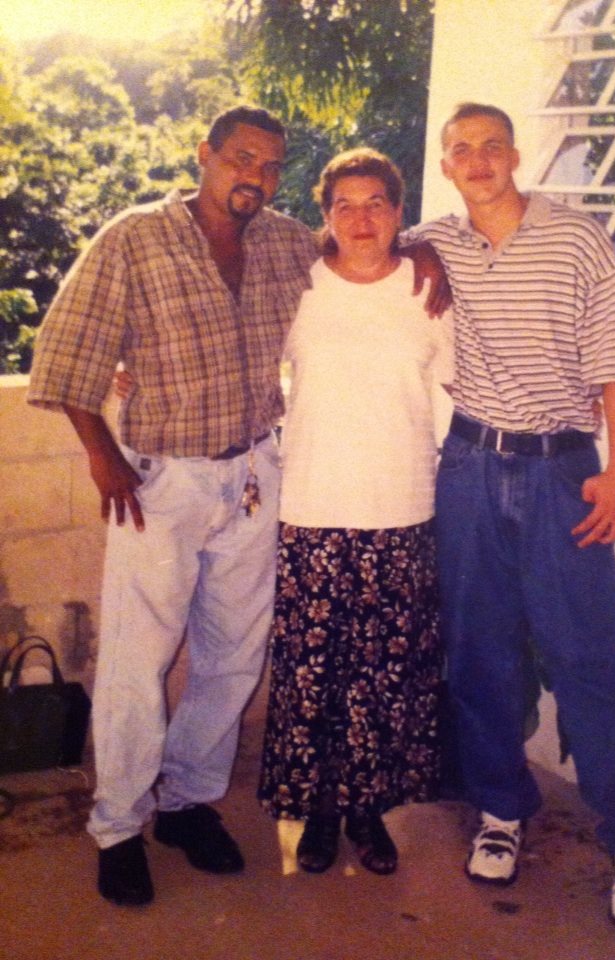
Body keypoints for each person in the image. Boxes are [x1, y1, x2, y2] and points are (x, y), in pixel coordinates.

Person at [27, 104, 448, 907]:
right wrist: (102, 454)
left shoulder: (288, 242)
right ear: (206, 155)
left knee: (233, 658)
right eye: (240, 159)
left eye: (268, 166)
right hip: (164, 483)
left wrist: (424, 249)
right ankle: (118, 825)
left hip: (258, 474)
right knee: (137, 659)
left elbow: (362, 243)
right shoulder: (134, 238)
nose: (253, 176)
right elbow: (67, 350)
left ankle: (185, 803)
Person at [402, 103, 615, 927]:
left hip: (563, 473)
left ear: (515, 156)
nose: (478, 160)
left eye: (491, 146)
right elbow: (353, 247)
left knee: (586, 658)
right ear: (446, 168)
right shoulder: (437, 241)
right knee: (479, 653)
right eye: (462, 151)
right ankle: (500, 812)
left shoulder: (575, 237)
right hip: (469, 469)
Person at [258, 148, 454, 876]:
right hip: (311, 503)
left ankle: (369, 813)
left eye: (376, 202)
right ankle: (319, 812)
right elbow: (236, 352)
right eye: (345, 203)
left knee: (382, 672)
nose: (361, 217)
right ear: (326, 214)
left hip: (401, 508)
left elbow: (472, 381)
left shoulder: (428, 291)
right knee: (313, 669)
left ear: (400, 214)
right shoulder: (297, 286)